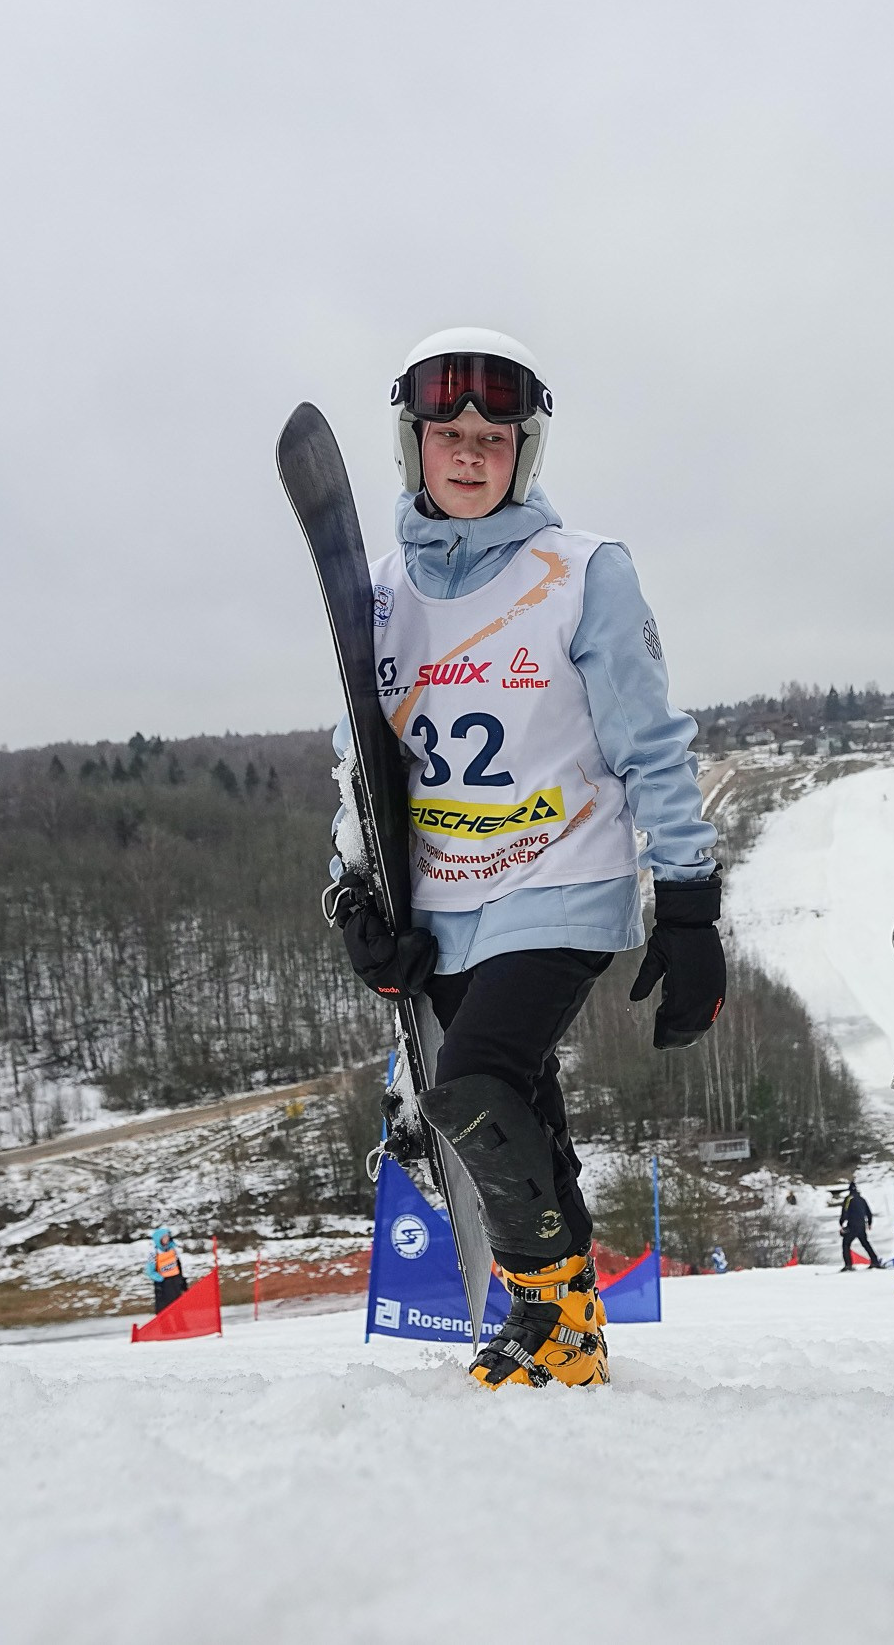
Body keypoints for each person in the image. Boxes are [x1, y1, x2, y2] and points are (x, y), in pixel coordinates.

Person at [325, 329, 723, 1391]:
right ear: (412, 447)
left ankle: (550, 1315)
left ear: (523, 452)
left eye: (492, 439)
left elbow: (652, 743)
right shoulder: (376, 592)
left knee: (477, 1084)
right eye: (447, 435)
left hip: (561, 881)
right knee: (520, 1102)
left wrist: (689, 900)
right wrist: (353, 889)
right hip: (444, 896)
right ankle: (569, 1310)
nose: (468, 455)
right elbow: (359, 761)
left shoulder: (583, 572)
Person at [838, 1179, 884, 1270]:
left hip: (852, 1225)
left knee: (846, 1244)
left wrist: (841, 1223)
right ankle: (875, 1261)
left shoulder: (849, 1198)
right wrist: (869, 1223)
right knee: (865, 1243)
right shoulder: (862, 1199)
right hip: (862, 1225)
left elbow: (845, 1212)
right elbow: (868, 1212)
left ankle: (848, 1265)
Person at [143, 1225, 187, 1314]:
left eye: (167, 1237)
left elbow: (178, 1264)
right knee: (164, 1310)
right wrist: (160, 1279)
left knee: (177, 1307)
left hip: (175, 1281)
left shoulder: (173, 1249)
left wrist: (181, 1279)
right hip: (164, 1284)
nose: (166, 1239)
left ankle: (180, 1326)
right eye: (164, 1237)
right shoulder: (154, 1253)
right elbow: (150, 1271)